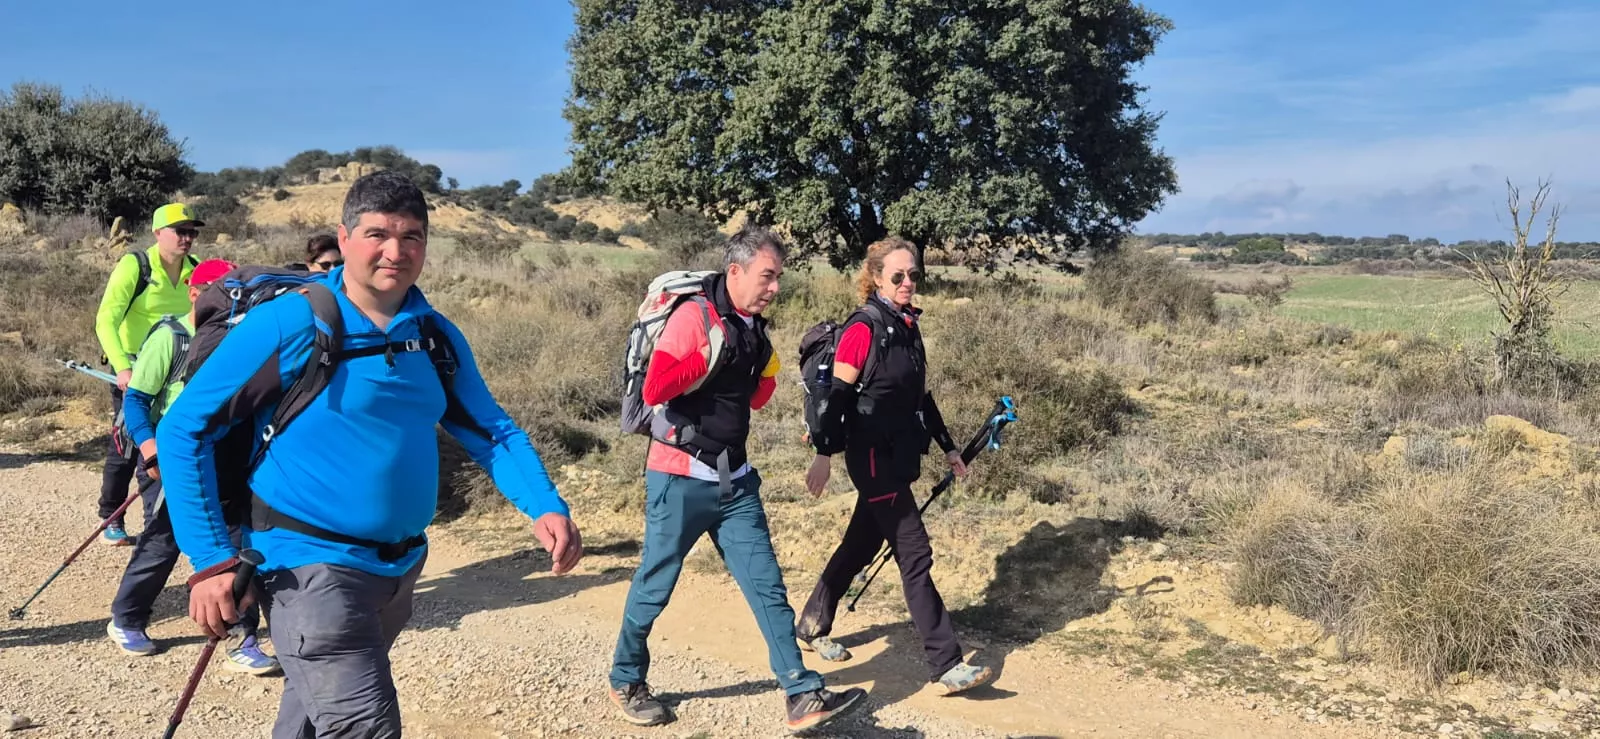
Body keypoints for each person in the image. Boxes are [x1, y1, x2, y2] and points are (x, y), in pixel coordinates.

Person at [158, 171, 584, 737]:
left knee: (311, 715)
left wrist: (544, 505)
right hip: (306, 565)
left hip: (399, 566)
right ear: (345, 236)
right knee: (365, 726)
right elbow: (183, 430)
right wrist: (210, 560)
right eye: (377, 233)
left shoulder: (432, 334)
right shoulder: (292, 322)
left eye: (412, 237)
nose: (395, 251)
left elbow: (492, 430)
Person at [608, 228, 867, 734]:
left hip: (735, 481)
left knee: (767, 585)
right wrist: (711, 355)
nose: (774, 287)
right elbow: (660, 385)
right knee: (655, 585)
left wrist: (765, 372)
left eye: (778, 279)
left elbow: (752, 401)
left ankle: (800, 691)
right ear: (736, 271)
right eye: (767, 276)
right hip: (678, 475)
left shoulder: (752, 327)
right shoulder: (694, 317)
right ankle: (626, 678)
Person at [795, 236, 995, 696]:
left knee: (860, 544)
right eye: (898, 275)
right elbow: (834, 399)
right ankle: (946, 663)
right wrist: (823, 455)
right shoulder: (864, 328)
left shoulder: (907, 327)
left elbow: (920, 399)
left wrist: (949, 448)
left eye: (914, 275)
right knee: (914, 551)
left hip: (899, 454)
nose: (908, 282)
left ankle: (810, 625)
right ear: (876, 278)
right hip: (870, 459)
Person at [105, 257, 281, 676]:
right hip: (177, 459)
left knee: (239, 541)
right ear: (195, 293)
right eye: (217, 291)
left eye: (234, 293)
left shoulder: (242, 336)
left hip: (232, 458)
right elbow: (137, 400)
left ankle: (241, 634)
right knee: (164, 540)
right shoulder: (172, 337)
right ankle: (128, 615)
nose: (227, 301)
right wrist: (150, 451)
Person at [92, 203, 203, 544]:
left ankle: (157, 523)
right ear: (158, 233)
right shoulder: (135, 265)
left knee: (167, 441)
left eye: (192, 232)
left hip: (178, 369)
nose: (187, 238)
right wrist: (123, 366)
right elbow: (106, 319)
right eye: (180, 231)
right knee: (127, 445)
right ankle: (111, 516)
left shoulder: (195, 270)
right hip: (135, 368)